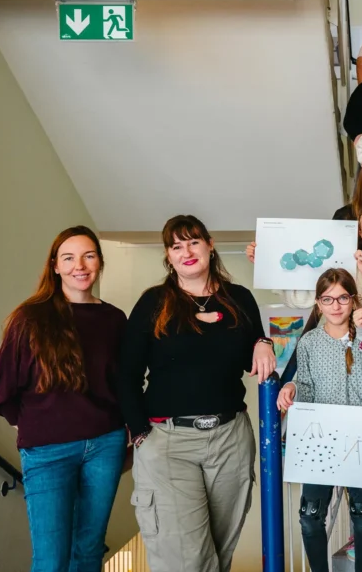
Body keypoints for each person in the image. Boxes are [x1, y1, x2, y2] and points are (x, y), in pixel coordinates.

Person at [119, 215, 276, 572]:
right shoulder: (153, 303)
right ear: (168, 256)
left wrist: (264, 342)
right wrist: (141, 433)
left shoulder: (238, 298)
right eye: (177, 246)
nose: (186, 252)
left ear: (209, 245)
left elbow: (257, 342)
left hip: (230, 438)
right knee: (187, 561)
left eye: (193, 242)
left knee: (219, 554)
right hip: (169, 442)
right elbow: (127, 373)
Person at [0, 226, 127, 572]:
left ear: (99, 262)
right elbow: (3, 390)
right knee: (51, 560)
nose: (79, 265)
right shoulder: (30, 318)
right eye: (68, 257)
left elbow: (123, 383)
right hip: (47, 451)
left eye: (89, 255)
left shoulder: (114, 319)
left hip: (105, 446)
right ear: (55, 265)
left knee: (88, 551)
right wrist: (44, 423)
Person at [277, 269, 362, 572]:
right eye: (328, 299)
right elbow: (307, 385)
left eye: (342, 298)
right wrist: (292, 386)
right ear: (318, 303)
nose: (336, 305)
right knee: (310, 515)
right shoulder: (309, 342)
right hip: (320, 438)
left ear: (353, 300)